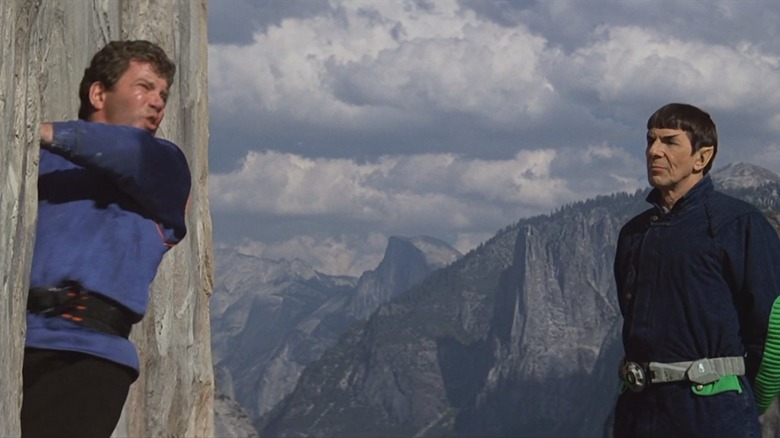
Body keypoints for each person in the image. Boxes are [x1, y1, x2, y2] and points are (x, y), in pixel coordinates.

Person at [20, 40, 191, 437]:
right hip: (15, 339)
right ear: (99, 93)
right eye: (144, 87)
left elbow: (127, 152)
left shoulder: (164, 165)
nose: (157, 102)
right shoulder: (35, 160)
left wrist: (34, 129)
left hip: (85, 358)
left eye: (162, 94)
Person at [613, 102, 780, 437]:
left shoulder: (738, 224)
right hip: (638, 415)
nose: (654, 151)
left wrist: (742, 401)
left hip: (713, 417)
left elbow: (772, 326)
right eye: (650, 140)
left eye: (669, 141)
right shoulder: (634, 233)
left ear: (702, 157)